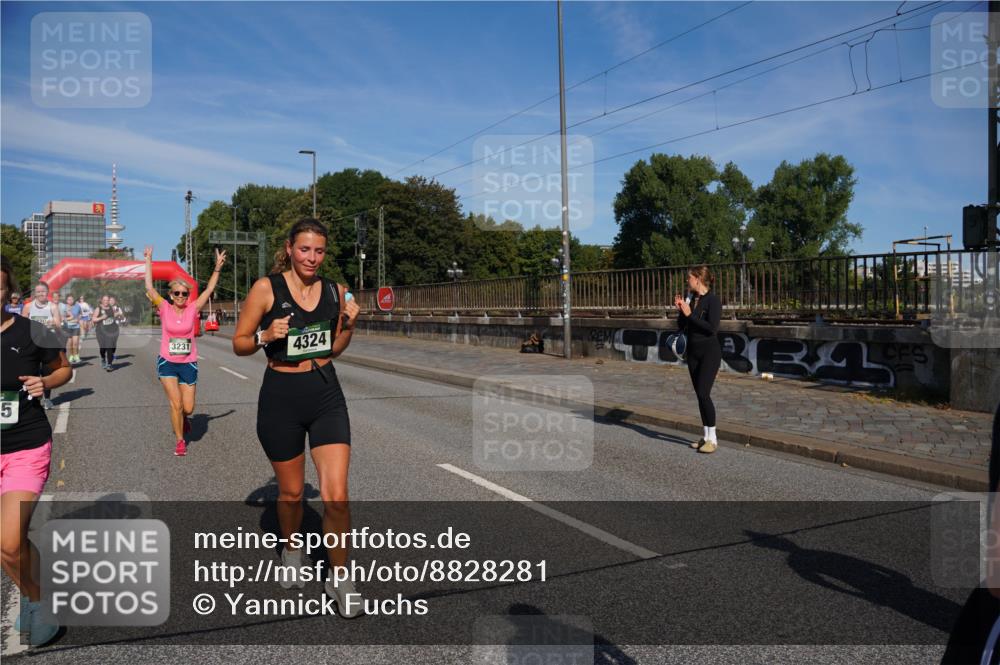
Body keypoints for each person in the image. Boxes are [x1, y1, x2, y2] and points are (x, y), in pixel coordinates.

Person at [233, 218, 362, 618]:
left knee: (336, 494)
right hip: (281, 397)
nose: (312, 257)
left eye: (319, 251)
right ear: (289, 248)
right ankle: (292, 548)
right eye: (305, 249)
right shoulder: (265, 288)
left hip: (325, 393)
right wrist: (265, 336)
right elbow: (239, 344)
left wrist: (350, 324)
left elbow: (335, 348)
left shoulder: (336, 292)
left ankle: (340, 576)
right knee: (290, 494)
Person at [0, 257, 72, 646]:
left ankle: (40, 601)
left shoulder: (32, 332)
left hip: (25, 445)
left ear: (8, 294)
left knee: (9, 541)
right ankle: (31, 591)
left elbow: (64, 369)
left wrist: (46, 381)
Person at [143, 246, 226, 457]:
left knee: (188, 408)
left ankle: (185, 420)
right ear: (170, 295)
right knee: (176, 403)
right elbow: (150, 287)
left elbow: (208, 291)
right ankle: (180, 441)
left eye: (184, 294)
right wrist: (149, 261)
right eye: (177, 293)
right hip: (167, 362)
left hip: (188, 362)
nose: (180, 296)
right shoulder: (163, 307)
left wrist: (217, 268)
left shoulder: (192, 309)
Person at [674, 265, 722, 454]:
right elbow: (682, 325)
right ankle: (706, 437)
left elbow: (711, 328)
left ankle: (714, 438)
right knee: (699, 396)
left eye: (689, 278)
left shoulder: (713, 300)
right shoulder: (692, 299)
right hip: (693, 352)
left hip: (709, 352)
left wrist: (689, 314)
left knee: (704, 393)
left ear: (698, 279)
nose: (687, 281)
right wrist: (681, 310)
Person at [21, 282, 61, 410]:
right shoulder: (28, 306)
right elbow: (22, 325)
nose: (40, 294)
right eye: (38, 292)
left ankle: (47, 399)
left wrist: (52, 323)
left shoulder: (53, 306)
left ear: (47, 292)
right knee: (31, 370)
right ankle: (29, 398)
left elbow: (59, 325)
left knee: (46, 372)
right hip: (32, 343)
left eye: (43, 291)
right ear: (35, 293)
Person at [92, 294, 120, 371]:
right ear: (101, 300)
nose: (106, 302)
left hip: (110, 331)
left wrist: (117, 315)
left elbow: (113, 315)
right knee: (102, 348)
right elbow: (94, 319)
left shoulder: (111, 308)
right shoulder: (98, 308)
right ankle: (103, 358)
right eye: (104, 300)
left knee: (109, 348)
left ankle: (109, 364)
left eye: (107, 300)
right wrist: (102, 317)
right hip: (100, 332)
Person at [60, 294, 81, 364]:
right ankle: (71, 355)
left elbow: (80, 314)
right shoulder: (64, 307)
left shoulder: (77, 306)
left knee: (75, 343)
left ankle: (76, 356)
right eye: (69, 299)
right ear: (66, 300)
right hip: (67, 327)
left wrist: (78, 319)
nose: (70, 301)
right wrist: (67, 319)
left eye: (72, 299)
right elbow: (62, 317)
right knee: (70, 344)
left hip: (76, 327)